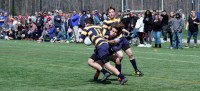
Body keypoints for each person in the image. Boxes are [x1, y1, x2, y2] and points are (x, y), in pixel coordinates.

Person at [79, 18, 128, 85]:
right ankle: (104, 73)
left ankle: (122, 77)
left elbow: (80, 40)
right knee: (90, 61)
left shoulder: (86, 28)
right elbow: (106, 34)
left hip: (101, 47)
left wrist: (85, 40)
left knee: (107, 64)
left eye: (85, 24)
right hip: (102, 46)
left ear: (87, 23)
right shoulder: (99, 27)